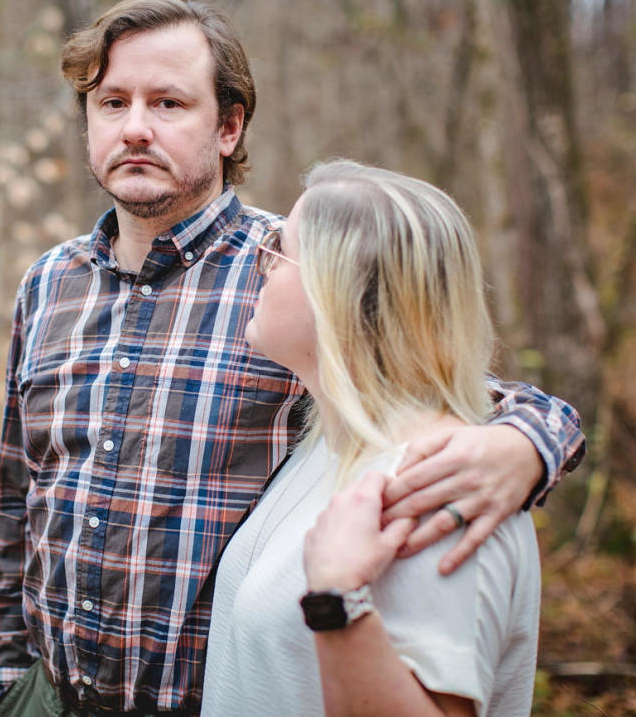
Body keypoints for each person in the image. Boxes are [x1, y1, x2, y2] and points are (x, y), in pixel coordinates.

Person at [0, 0, 583, 717]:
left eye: (169, 103)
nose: (135, 128)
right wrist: (10, 679)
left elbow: (438, 388)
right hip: (50, 696)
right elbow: (17, 496)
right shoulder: (50, 284)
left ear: (228, 125)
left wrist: (530, 444)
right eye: (112, 102)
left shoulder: (291, 276)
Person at [202, 160, 540, 716]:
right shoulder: (324, 446)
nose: (259, 268)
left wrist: (337, 599)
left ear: (338, 293)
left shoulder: (441, 488)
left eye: (278, 251)